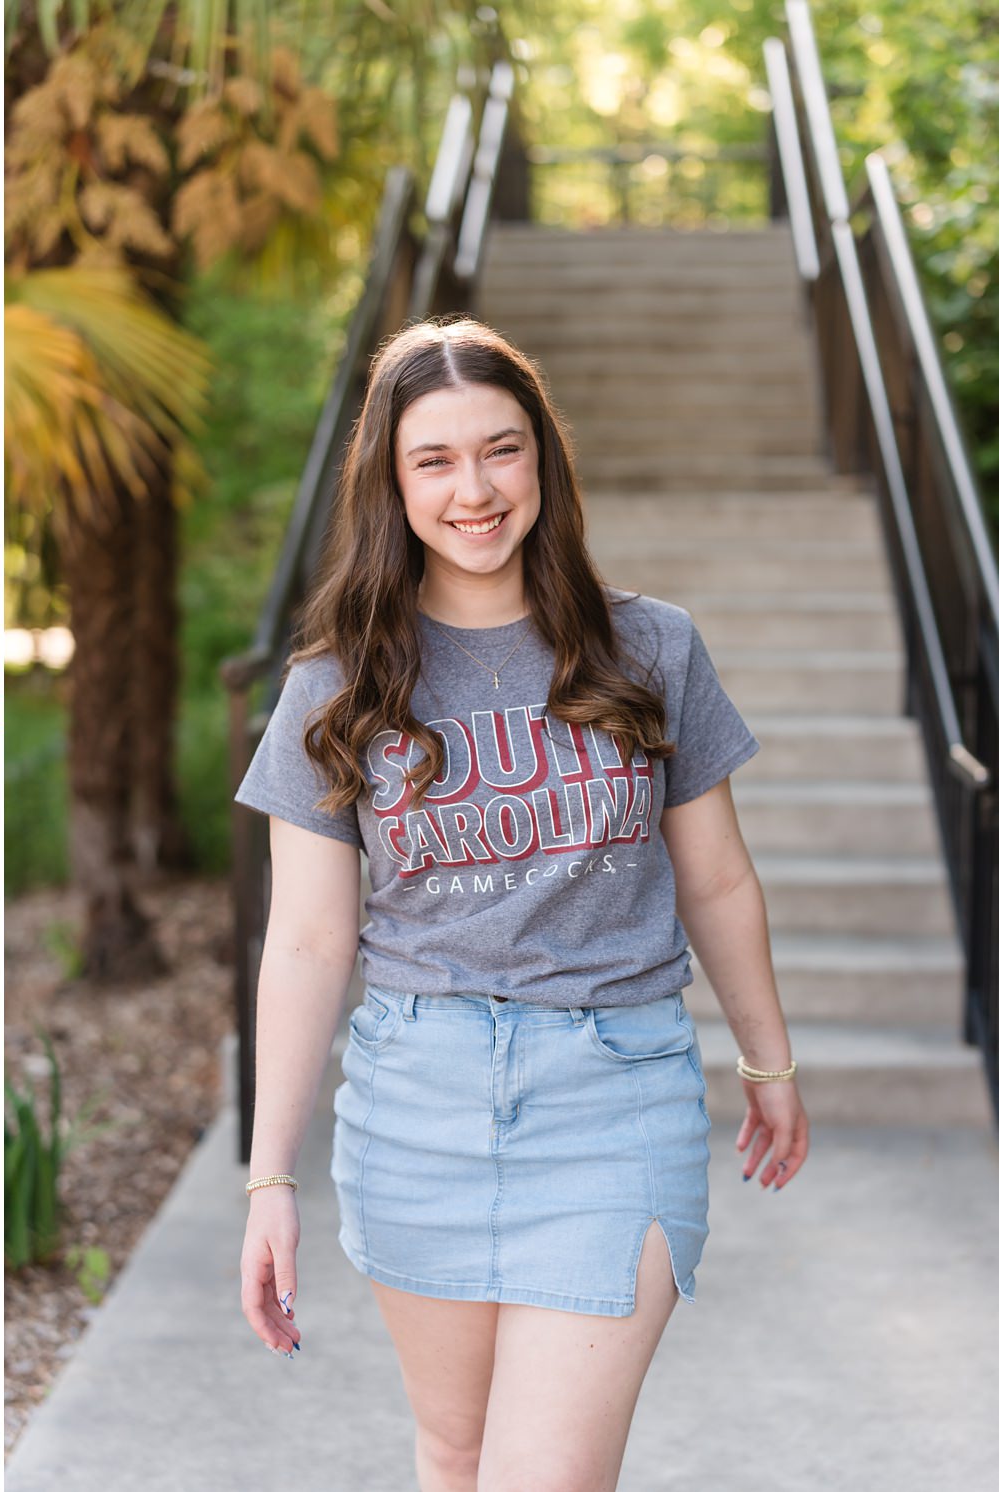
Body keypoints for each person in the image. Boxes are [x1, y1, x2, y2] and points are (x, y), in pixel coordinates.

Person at [232, 318, 810, 1490]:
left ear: (540, 458)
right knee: (453, 1454)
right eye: (433, 460)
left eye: (499, 450)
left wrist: (767, 1060)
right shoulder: (332, 685)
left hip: (614, 1093)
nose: (474, 489)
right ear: (389, 485)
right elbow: (301, 942)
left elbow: (714, 877)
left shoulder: (648, 647)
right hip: (413, 1106)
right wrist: (267, 1178)